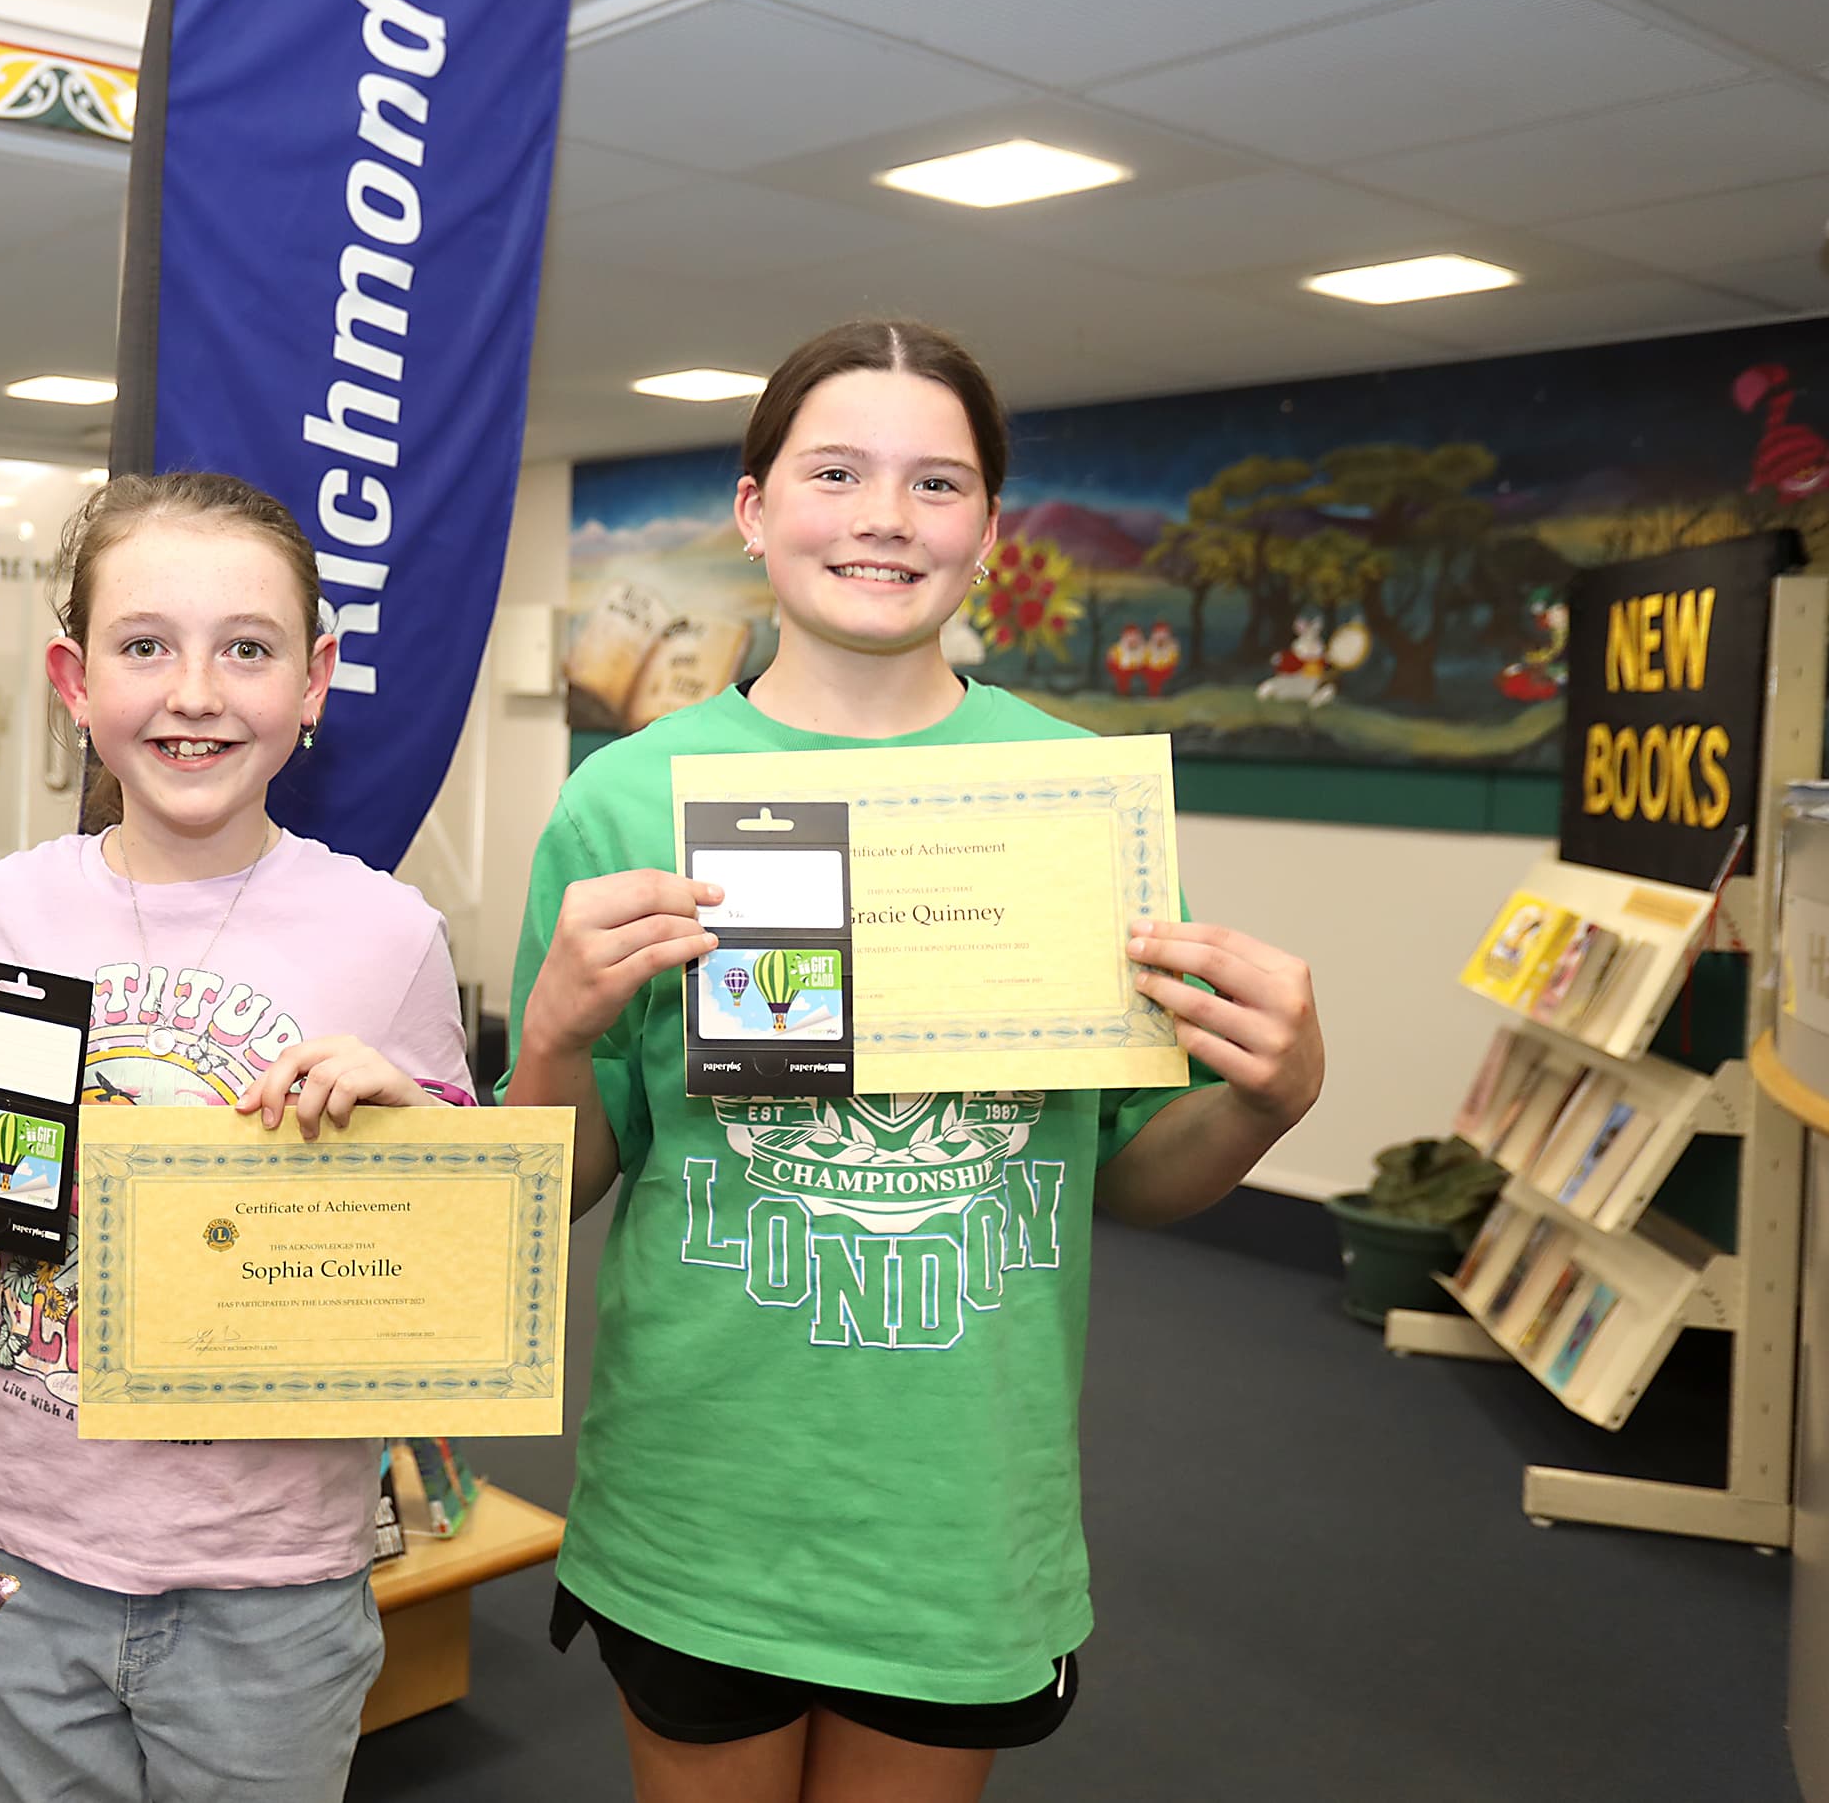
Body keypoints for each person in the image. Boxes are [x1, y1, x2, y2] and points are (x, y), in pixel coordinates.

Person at [505, 321, 1325, 1803]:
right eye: (835, 472)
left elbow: (1130, 1176)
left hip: (957, 1513)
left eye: (935, 483)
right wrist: (555, 1036)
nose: (885, 516)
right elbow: (554, 1184)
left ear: (987, 532)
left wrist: (1273, 1097)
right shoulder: (623, 799)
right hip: (702, 1491)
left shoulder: (1072, 800)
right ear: (753, 508)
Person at [0, 472, 476, 1803]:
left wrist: (406, 1126)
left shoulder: (388, 935)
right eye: (144, 645)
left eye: (246, 650)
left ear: (315, 680)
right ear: (74, 680)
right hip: (19, 1534)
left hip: (273, 1563)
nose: (194, 693)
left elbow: (458, 1260)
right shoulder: (6, 910)